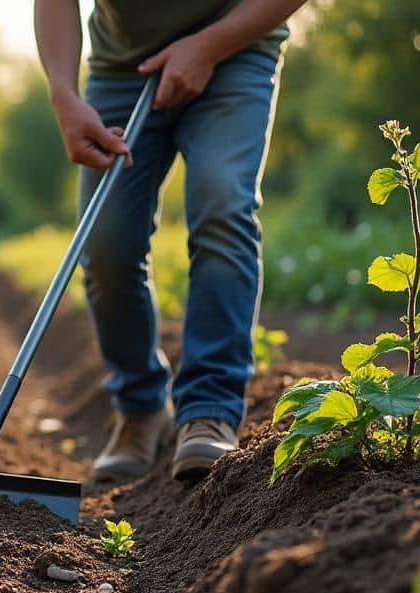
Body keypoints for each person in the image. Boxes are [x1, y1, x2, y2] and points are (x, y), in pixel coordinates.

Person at [34, 0, 305, 486]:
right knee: (106, 243)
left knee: (222, 201)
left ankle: (209, 408)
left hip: (236, 50)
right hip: (122, 68)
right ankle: (140, 407)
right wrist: (63, 96)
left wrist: (207, 44)